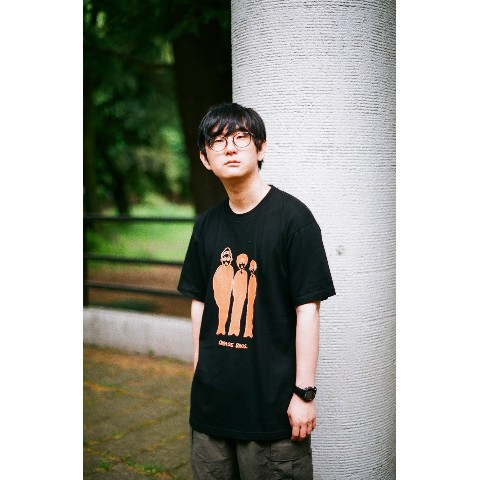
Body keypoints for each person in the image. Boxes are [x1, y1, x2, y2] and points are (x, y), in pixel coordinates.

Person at [177, 102, 335, 479]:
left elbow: (308, 310)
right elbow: (200, 304)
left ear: (261, 148)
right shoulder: (206, 226)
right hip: (212, 410)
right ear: (205, 159)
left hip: (272, 411)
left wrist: (304, 394)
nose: (230, 148)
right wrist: (200, 376)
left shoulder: (294, 220)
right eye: (217, 141)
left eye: (241, 137)